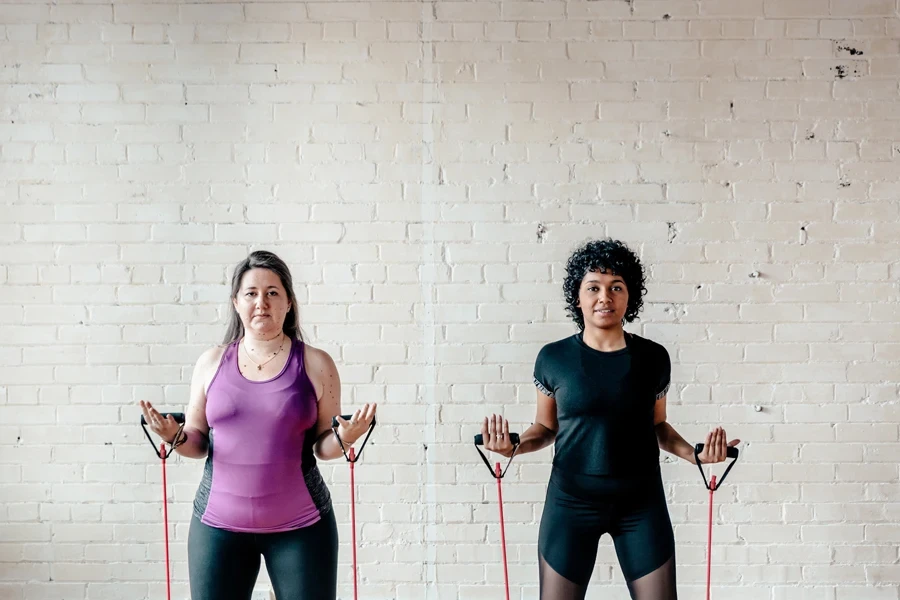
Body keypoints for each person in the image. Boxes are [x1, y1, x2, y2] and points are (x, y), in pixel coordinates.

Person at [480, 239, 739, 600]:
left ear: (629, 297)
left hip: (641, 504)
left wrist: (696, 454)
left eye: (616, 287)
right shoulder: (553, 358)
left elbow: (658, 426)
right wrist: (514, 446)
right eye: (594, 288)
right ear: (578, 298)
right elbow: (546, 428)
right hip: (570, 504)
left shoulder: (653, 358)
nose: (605, 296)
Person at [139, 250, 376, 600]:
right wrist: (172, 435)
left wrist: (344, 437)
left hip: (302, 528)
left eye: (272, 292)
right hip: (217, 528)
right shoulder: (210, 363)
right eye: (251, 293)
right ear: (237, 302)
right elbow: (196, 441)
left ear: (289, 302)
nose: (261, 302)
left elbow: (323, 447)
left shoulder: (315, 363)